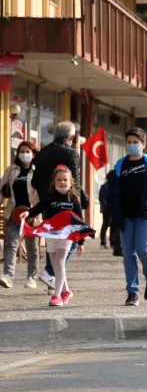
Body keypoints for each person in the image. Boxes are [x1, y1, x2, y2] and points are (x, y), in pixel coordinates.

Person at [107, 127, 147, 307]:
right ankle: (132, 291)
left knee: (143, 248)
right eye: (129, 142)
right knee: (128, 254)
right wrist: (115, 215)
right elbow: (113, 193)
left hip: (145, 214)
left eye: (136, 142)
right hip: (125, 216)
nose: (132, 145)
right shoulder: (120, 166)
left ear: (143, 144)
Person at [20, 167, 86, 306]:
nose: (62, 182)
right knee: (56, 264)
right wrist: (28, 213)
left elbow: (80, 220)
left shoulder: (74, 199)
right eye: (59, 180)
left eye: (65, 179)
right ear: (54, 182)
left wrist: (81, 242)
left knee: (60, 262)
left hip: (66, 234)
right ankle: (66, 291)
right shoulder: (50, 196)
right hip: (51, 233)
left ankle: (57, 296)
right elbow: (39, 207)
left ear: (71, 182)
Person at [31, 122, 80, 289]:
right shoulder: (71, 152)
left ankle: (53, 277)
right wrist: (78, 200)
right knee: (71, 241)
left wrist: (46, 195)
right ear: (72, 137)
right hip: (66, 203)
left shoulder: (42, 152)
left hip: (47, 203)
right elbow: (75, 181)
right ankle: (50, 272)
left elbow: (35, 180)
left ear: (54, 135)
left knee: (53, 239)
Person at [1, 141, 39, 289]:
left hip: (32, 213)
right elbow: (2, 185)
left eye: (27, 151)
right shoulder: (12, 169)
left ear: (33, 153)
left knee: (33, 247)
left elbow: (42, 192)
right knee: (11, 244)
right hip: (14, 212)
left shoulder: (38, 170)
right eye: (21, 151)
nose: (24, 154)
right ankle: (8, 276)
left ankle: (32, 277)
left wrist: (37, 211)